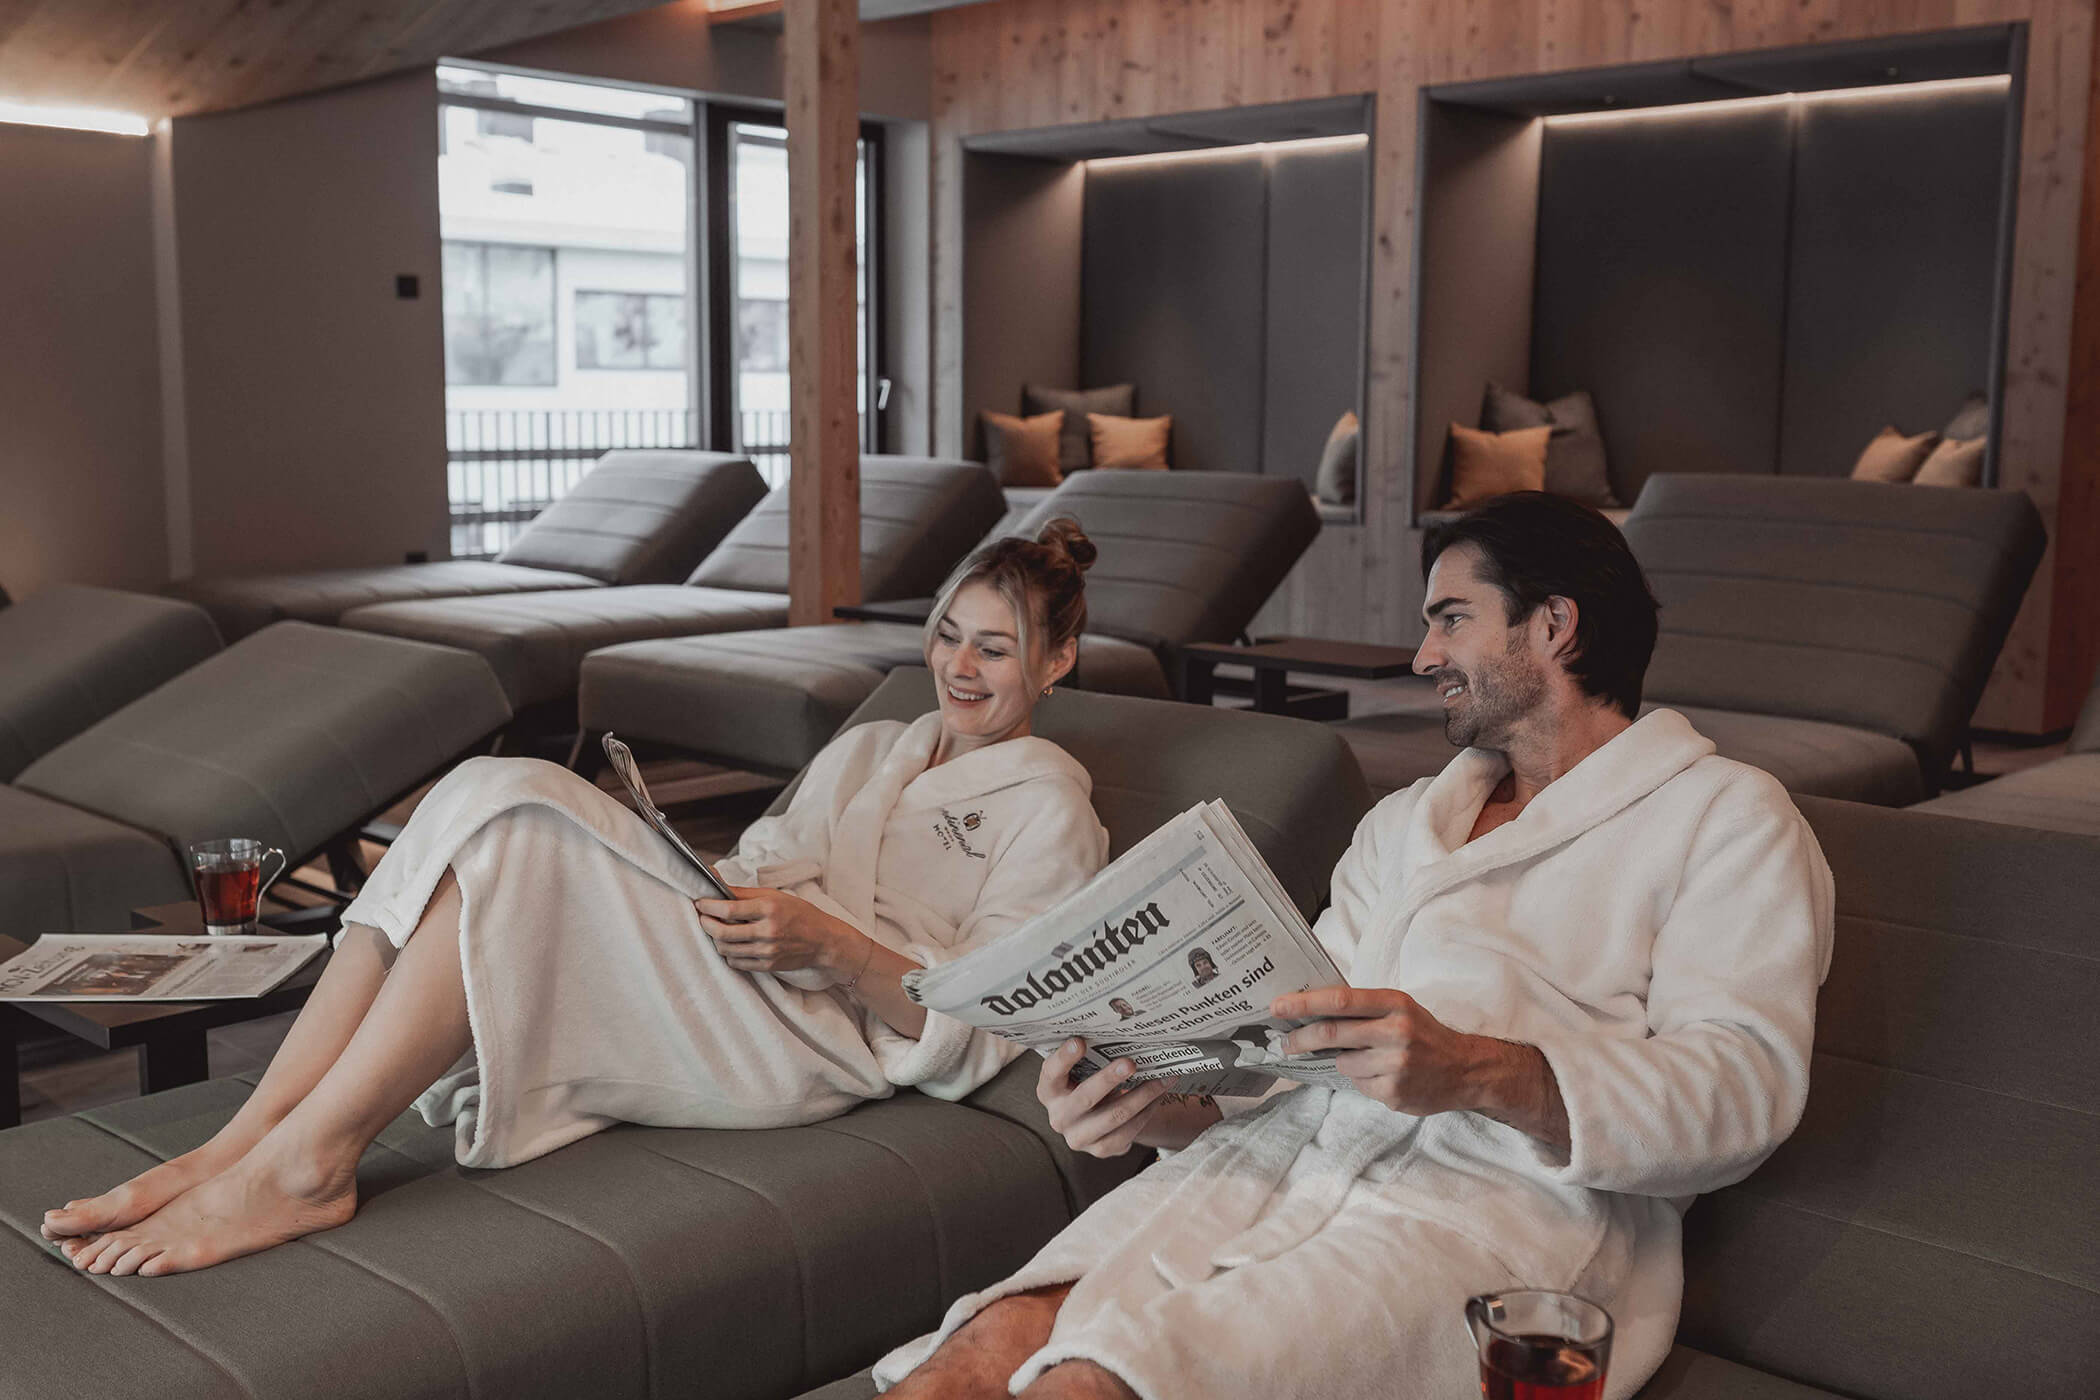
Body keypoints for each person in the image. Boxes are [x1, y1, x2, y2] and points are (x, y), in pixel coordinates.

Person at [873, 492, 1834, 1400]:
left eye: (1451, 617)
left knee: (1099, 1380)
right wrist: (1150, 1098)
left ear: (1555, 624)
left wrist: (1474, 1072)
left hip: (1495, 1216)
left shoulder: (1726, 818)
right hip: (1270, 1168)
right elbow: (1284, 1055)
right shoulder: (1404, 823)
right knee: (988, 1345)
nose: (1423, 655)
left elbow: (1745, 1085)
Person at [44, 521, 1112, 1279]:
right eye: (947, 632)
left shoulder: (1054, 807)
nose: (958, 665)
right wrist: (689, 880)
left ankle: (312, 1158)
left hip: (822, 1039)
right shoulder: (881, 743)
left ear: (1058, 660)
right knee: (483, 798)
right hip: (754, 964)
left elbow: (991, 1019)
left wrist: (831, 945)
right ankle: (255, 1132)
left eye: (996, 645)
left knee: (516, 807)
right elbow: (767, 850)